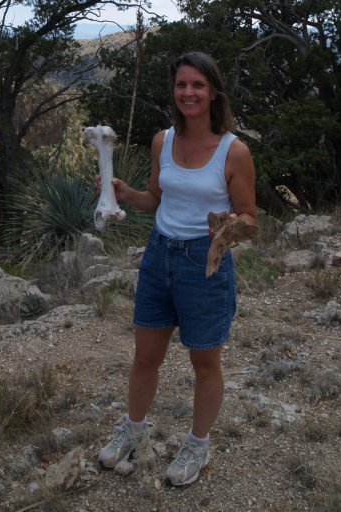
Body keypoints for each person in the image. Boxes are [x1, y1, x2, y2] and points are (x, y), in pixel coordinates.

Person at [98, 51, 257, 487]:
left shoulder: (234, 151)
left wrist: (227, 228)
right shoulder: (162, 141)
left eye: (198, 85)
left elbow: (250, 217)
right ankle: (133, 429)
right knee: (145, 357)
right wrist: (127, 194)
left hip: (204, 263)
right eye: (181, 84)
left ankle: (198, 445)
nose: (188, 92)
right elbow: (157, 198)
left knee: (204, 362)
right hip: (159, 256)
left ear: (213, 92)